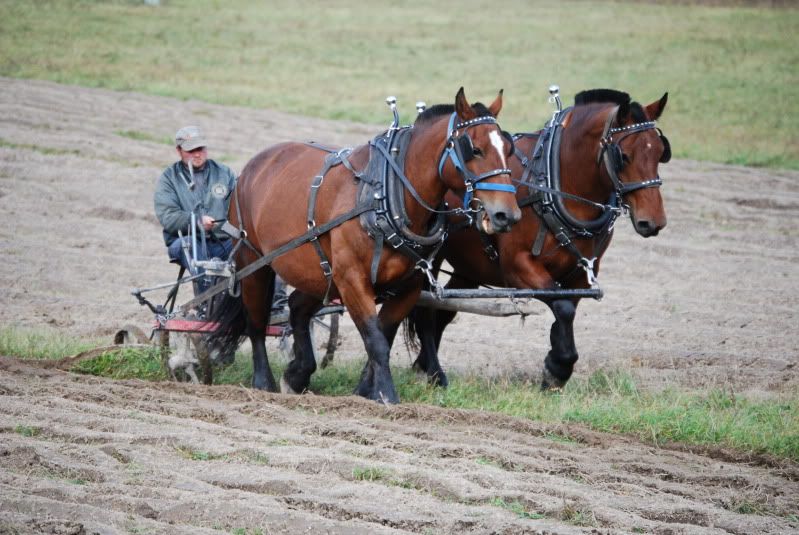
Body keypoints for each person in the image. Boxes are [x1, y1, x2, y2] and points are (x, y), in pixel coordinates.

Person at [154, 125, 237, 294]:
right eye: (191, 150)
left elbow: (240, 206)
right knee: (191, 246)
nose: (197, 154)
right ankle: (206, 304)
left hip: (224, 241)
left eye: (200, 148)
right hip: (188, 240)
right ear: (179, 151)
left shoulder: (224, 173)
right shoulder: (169, 179)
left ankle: (271, 307)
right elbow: (168, 216)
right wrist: (197, 222)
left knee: (253, 249)